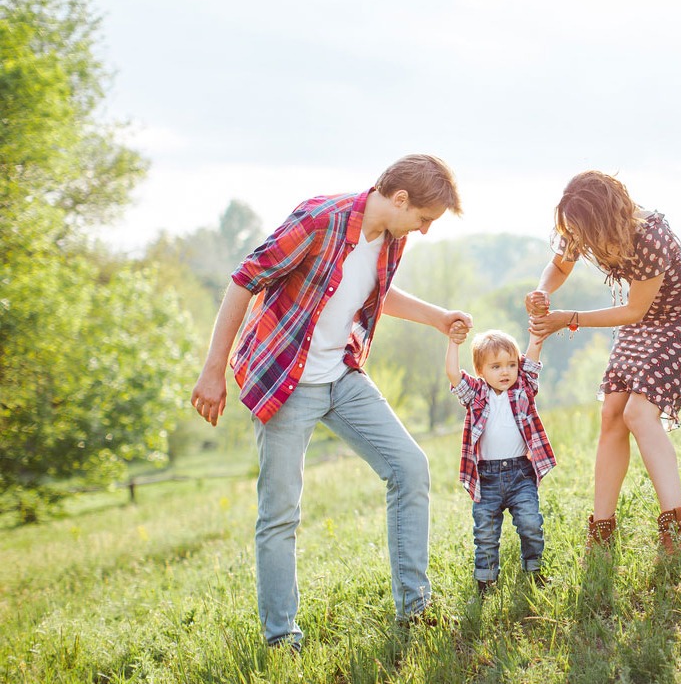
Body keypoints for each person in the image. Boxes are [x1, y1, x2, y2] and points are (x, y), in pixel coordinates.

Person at [190, 154, 472, 649]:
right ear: (400, 199)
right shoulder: (321, 219)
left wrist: (437, 317)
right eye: (424, 219)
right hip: (286, 379)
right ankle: (281, 637)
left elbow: (377, 293)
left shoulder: (393, 240)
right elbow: (243, 278)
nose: (425, 231)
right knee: (280, 512)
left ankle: (415, 609)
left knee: (409, 467)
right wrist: (214, 368)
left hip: (340, 376)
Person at [525, 170, 681, 556]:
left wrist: (570, 317)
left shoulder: (651, 236)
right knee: (612, 412)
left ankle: (677, 532)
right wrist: (542, 292)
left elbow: (633, 309)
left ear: (605, 219)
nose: (579, 242)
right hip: (643, 319)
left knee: (639, 414)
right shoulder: (581, 221)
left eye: (584, 234)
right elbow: (560, 266)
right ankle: (602, 534)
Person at [446, 327, 556, 594]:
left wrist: (536, 333)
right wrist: (453, 342)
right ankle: (486, 580)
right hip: (487, 478)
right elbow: (452, 373)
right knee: (485, 532)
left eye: (510, 364)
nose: (505, 372)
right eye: (496, 367)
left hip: (521, 473)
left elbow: (532, 359)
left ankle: (535, 570)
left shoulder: (523, 389)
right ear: (481, 371)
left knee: (531, 523)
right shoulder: (476, 395)